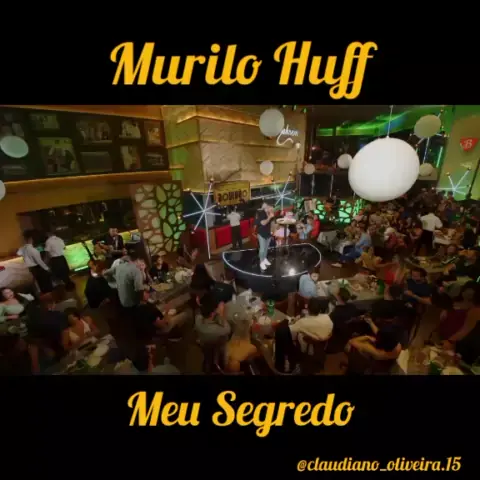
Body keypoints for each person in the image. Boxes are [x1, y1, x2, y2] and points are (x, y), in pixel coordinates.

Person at [275, 297, 332, 372]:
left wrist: (293, 321)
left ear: (308, 309)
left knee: (282, 331)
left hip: (308, 346)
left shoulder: (303, 322)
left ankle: (283, 363)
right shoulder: (327, 318)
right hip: (321, 345)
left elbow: (290, 328)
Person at [195, 292, 231, 373]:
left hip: (204, 345)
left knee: (207, 358)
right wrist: (221, 314)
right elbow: (228, 329)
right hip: (218, 346)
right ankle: (220, 367)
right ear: (212, 314)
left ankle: (207, 367)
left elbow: (201, 313)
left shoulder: (198, 319)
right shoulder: (218, 330)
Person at [255, 202, 275, 271]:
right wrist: (269, 217)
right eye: (271, 207)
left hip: (268, 233)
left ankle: (264, 259)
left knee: (266, 248)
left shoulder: (269, 212)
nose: (272, 208)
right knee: (262, 249)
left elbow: (272, 222)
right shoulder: (260, 213)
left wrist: (272, 231)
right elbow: (263, 223)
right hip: (261, 234)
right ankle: (261, 262)